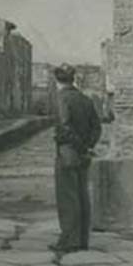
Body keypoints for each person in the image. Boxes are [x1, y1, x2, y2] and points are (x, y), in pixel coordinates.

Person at [50, 63, 102, 255]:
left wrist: (78, 145)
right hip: (83, 155)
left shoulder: (62, 99)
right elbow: (97, 127)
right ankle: (82, 240)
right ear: (73, 79)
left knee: (67, 198)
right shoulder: (85, 99)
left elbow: (64, 128)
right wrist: (88, 146)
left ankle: (68, 241)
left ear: (58, 80)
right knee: (82, 196)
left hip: (67, 154)